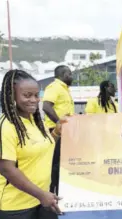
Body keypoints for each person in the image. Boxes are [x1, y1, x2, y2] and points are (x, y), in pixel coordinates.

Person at [0, 70, 67, 219]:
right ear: (12, 96)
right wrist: (42, 195)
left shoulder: (34, 121)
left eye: (36, 95)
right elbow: (7, 170)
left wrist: (56, 132)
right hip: (15, 207)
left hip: (43, 200)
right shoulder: (5, 127)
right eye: (26, 95)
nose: (33, 100)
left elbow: (41, 149)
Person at [42, 65, 74, 195]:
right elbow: (46, 106)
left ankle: (60, 193)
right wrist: (58, 123)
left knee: (61, 165)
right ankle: (51, 194)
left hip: (64, 132)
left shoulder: (65, 89)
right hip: (55, 132)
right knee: (54, 165)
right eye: (70, 74)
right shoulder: (55, 87)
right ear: (64, 74)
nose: (71, 77)